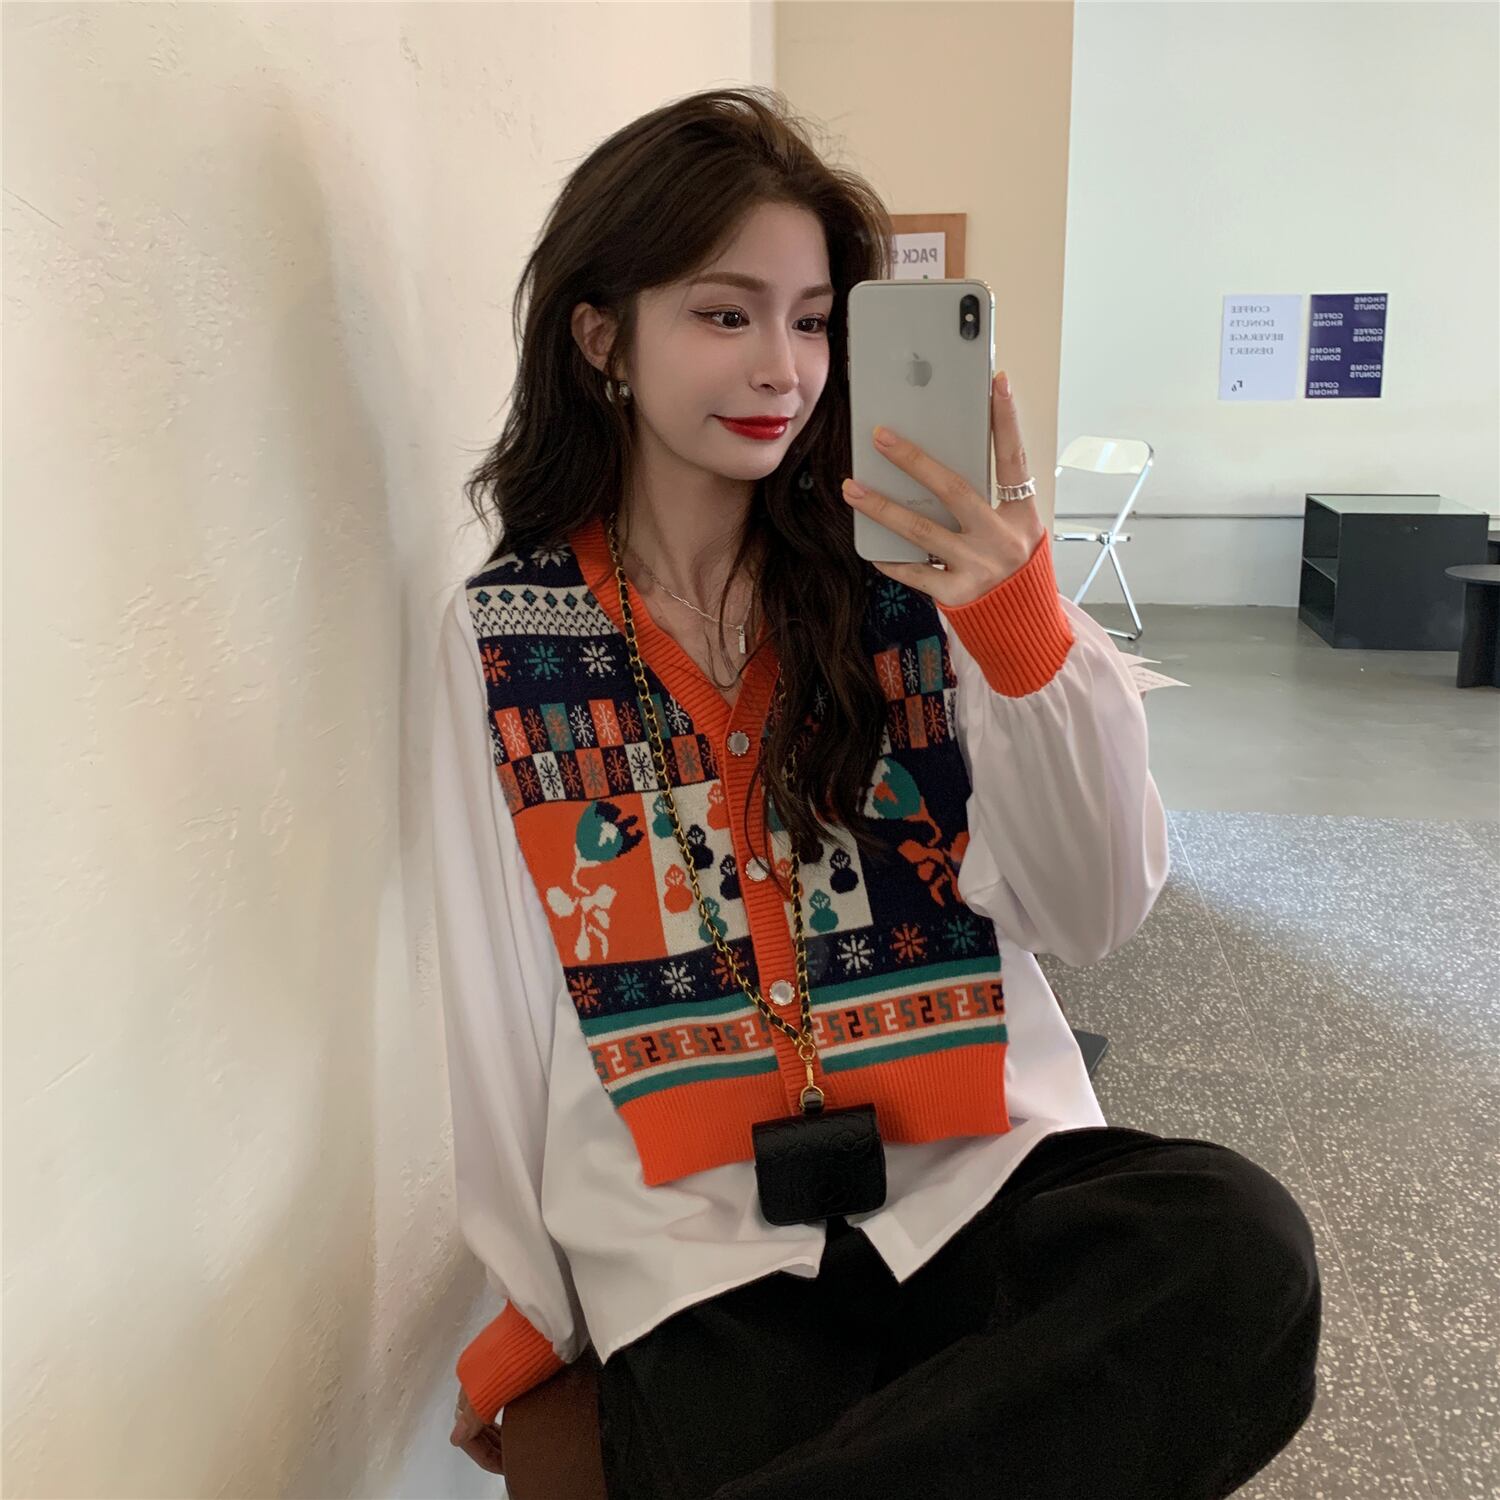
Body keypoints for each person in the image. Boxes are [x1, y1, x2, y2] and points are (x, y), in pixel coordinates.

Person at [430, 85, 1322, 1500]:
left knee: (1236, 1251)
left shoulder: (919, 585)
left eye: (811, 321)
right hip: (694, 1241)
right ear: (601, 338)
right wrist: (532, 1302)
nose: (781, 367)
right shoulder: (504, 636)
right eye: (724, 314)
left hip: (973, 1180)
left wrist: (1019, 630)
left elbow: (1090, 912)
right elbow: (490, 988)